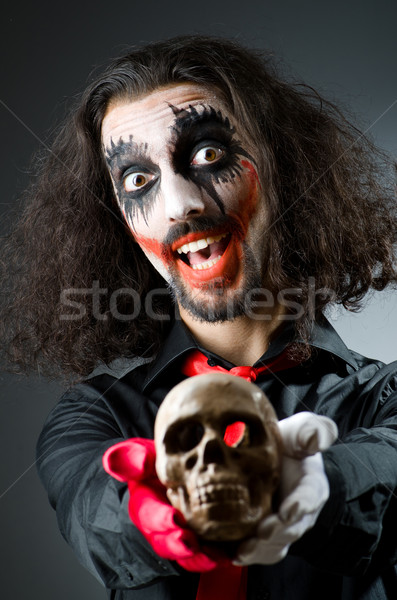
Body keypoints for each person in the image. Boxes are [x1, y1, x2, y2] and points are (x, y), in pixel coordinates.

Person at [1, 35, 397, 599]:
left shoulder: (385, 397)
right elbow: (95, 511)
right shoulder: (96, 416)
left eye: (209, 154)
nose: (179, 204)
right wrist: (155, 515)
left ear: (281, 164)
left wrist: (318, 484)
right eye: (138, 180)